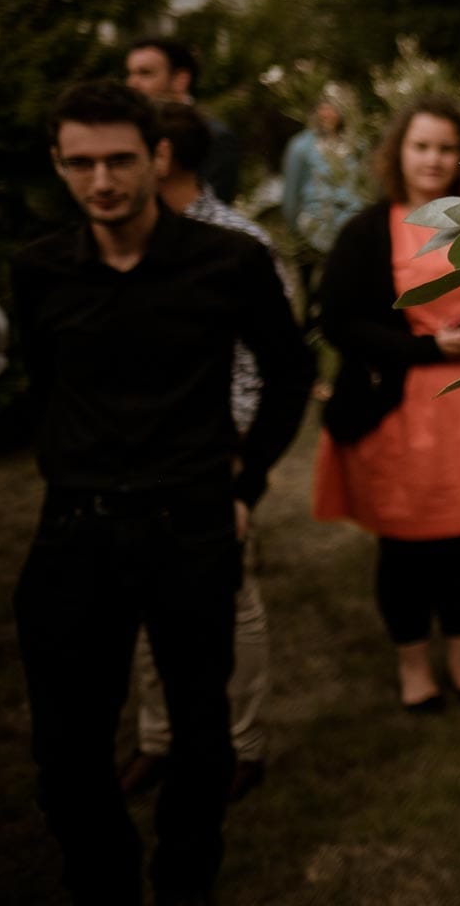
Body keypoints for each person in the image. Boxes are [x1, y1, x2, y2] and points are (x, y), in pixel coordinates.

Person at [11, 80, 311, 906]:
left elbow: (290, 372)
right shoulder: (40, 272)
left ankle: (185, 881)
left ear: (158, 158)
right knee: (66, 752)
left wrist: (246, 480)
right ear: (58, 166)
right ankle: (102, 883)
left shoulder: (229, 262)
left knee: (200, 731)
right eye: (80, 164)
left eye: (118, 161)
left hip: (191, 526)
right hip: (75, 530)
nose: (100, 181)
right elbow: (45, 385)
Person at [312, 96, 460, 710]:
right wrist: (424, 347)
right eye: (422, 146)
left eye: (446, 148)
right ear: (399, 153)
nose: (434, 159)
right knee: (407, 545)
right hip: (402, 413)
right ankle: (414, 665)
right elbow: (338, 321)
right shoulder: (367, 230)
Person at [119, 104, 294, 805]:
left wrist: (236, 452)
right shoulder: (116, 240)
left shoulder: (238, 241)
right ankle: (157, 737)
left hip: (213, 451)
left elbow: (266, 361)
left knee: (232, 597)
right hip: (130, 453)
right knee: (136, 594)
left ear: (160, 156)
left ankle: (241, 743)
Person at [124, 39, 242, 202]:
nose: (132, 83)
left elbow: (213, 210)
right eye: (130, 73)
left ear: (180, 80)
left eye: (145, 73)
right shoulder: (129, 132)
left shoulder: (215, 137)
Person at [280, 86, 363, 261]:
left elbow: (364, 187)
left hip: (352, 229)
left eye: (333, 107)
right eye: (323, 107)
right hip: (314, 231)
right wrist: (295, 231)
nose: (326, 113)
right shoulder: (301, 146)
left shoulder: (357, 146)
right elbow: (290, 194)